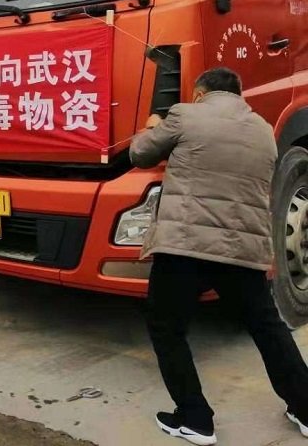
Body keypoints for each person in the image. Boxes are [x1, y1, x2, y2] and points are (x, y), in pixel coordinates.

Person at [130, 67, 308, 445]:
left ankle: (195, 418)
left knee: (167, 327)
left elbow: (140, 154)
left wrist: (151, 127)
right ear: (239, 94)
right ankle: (306, 407)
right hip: (241, 250)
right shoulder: (262, 130)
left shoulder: (185, 115)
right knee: (267, 328)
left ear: (200, 93)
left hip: (185, 246)